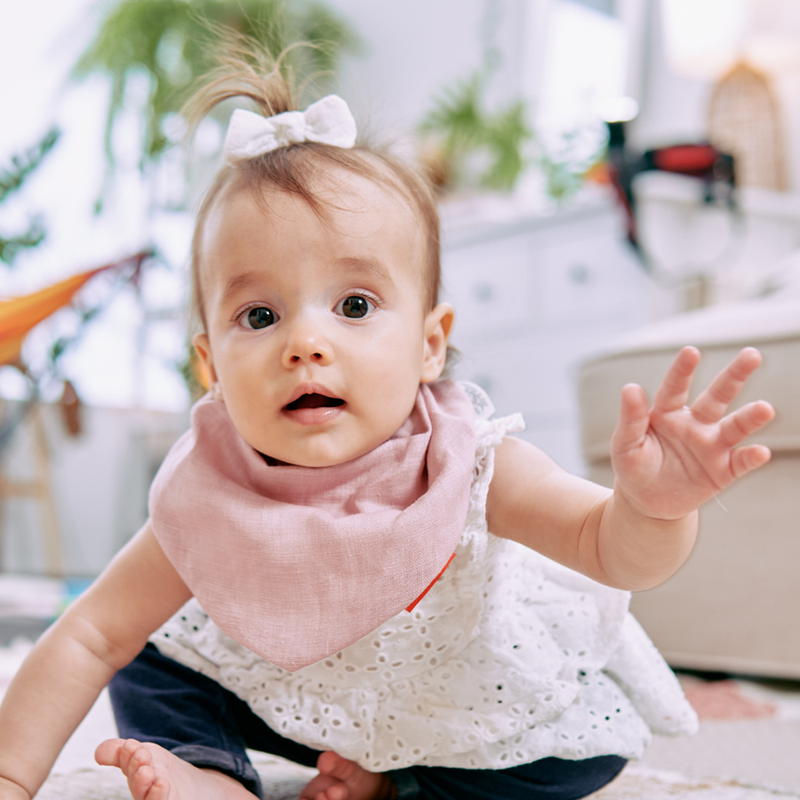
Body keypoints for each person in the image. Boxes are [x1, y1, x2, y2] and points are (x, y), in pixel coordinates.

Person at [0, 51, 776, 800]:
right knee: (148, 656)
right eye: (260, 316)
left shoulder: (470, 462)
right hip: (298, 697)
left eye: (355, 305)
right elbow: (91, 635)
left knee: (574, 757)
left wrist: (653, 509)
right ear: (210, 365)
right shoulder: (209, 488)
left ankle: (402, 778)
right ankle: (211, 773)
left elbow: (610, 549)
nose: (306, 343)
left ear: (430, 343)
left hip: (454, 705)